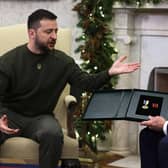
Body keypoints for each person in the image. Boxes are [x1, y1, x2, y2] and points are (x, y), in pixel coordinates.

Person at [0, 9, 140, 168]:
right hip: (9, 116)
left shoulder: (63, 62)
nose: (54, 36)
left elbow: (87, 82)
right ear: (32, 33)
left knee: (52, 134)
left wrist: (109, 72)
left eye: (56, 31)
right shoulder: (9, 61)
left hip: (40, 118)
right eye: (48, 31)